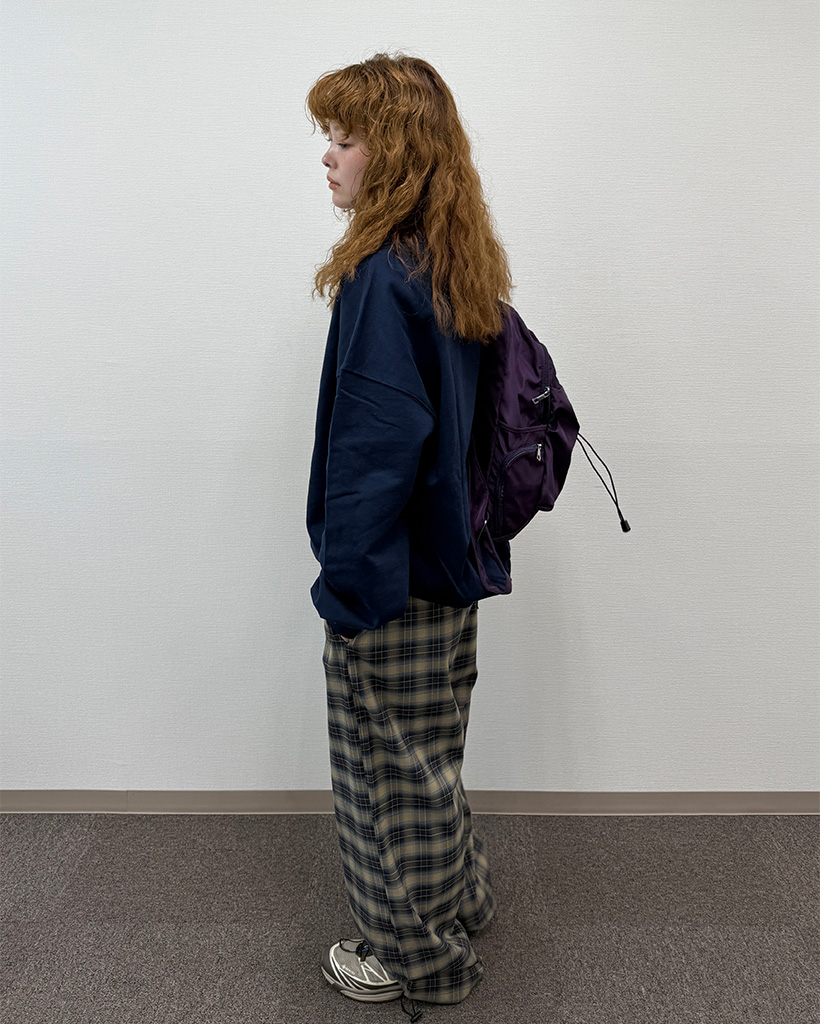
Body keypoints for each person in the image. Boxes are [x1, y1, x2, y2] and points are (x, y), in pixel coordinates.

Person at [304, 52, 514, 1020]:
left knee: (381, 779)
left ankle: (417, 960)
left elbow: (374, 449)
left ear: (390, 153)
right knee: (430, 754)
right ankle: (462, 899)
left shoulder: (380, 279)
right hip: (450, 563)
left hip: (391, 579)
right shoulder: (453, 261)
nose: (329, 157)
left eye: (345, 139)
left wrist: (347, 587)